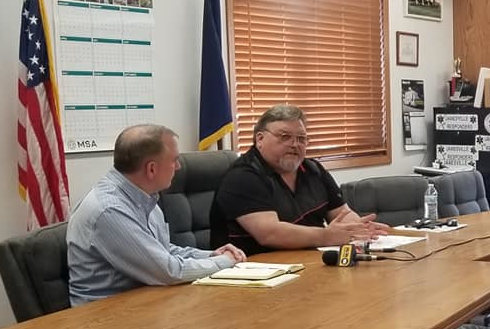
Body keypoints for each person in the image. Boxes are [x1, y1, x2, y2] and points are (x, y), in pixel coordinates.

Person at [67, 125, 247, 306]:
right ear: (151, 169)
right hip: (104, 317)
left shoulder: (143, 196)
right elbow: (168, 271)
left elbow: (162, 250)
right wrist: (225, 262)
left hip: (145, 300)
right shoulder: (110, 211)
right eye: (174, 160)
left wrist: (211, 256)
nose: (177, 167)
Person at [210, 104, 389, 256]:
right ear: (260, 139)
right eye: (285, 136)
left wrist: (357, 230)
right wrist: (328, 236)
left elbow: (342, 213)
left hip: (308, 262)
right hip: (255, 274)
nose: (295, 144)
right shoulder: (243, 176)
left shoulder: (313, 169)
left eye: (301, 139)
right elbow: (270, 234)